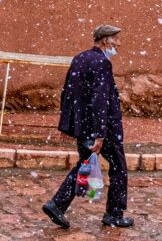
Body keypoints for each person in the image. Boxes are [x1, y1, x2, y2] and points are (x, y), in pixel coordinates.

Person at [42, 24, 133, 229]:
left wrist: (68, 124)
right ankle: (114, 213)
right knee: (119, 168)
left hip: (83, 126)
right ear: (105, 41)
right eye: (116, 39)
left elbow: (68, 93)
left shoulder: (80, 58)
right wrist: (100, 134)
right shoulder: (102, 63)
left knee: (84, 164)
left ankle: (57, 204)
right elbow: (99, 100)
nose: (119, 44)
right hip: (103, 128)